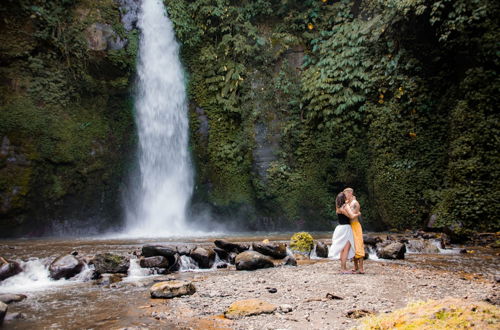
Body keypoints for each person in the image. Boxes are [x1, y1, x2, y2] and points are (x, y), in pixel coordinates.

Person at [328, 192, 360, 273]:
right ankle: (343, 269)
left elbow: (345, 213)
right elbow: (351, 216)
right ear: (344, 198)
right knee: (346, 249)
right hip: (346, 228)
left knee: (342, 249)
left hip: (339, 228)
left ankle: (343, 268)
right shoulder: (345, 206)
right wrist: (358, 214)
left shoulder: (338, 207)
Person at [344, 187, 365, 274]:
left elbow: (350, 215)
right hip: (350, 226)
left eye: (345, 194)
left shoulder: (355, 203)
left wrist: (344, 209)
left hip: (355, 226)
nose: (345, 196)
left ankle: (361, 269)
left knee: (358, 246)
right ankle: (356, 266)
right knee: (353, 246)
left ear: (350, 193)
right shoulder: (349, 202)